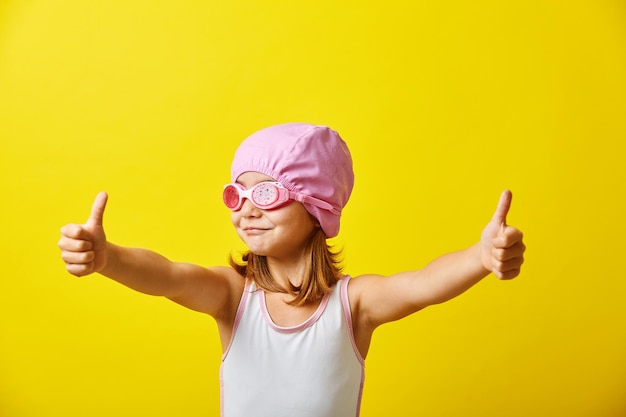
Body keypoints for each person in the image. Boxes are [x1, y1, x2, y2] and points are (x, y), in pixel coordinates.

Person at [58, 122, 525, 417]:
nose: (247, 210)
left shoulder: (353, 304)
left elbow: (423, 284)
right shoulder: (232, 296)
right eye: (237, 195)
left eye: (267, 194)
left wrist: (480, 257)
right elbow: (168, 276)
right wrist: (109, 258)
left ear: (316, 209)